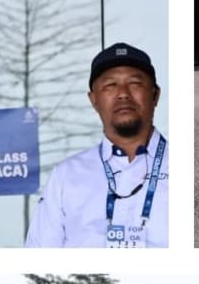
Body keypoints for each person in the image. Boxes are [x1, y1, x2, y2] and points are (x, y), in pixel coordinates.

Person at [26, 44, 167, 248]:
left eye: (135, 83)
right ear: (94, 100)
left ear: (155, 95)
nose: (123, 94)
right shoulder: (66, 176)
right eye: (110, 85)